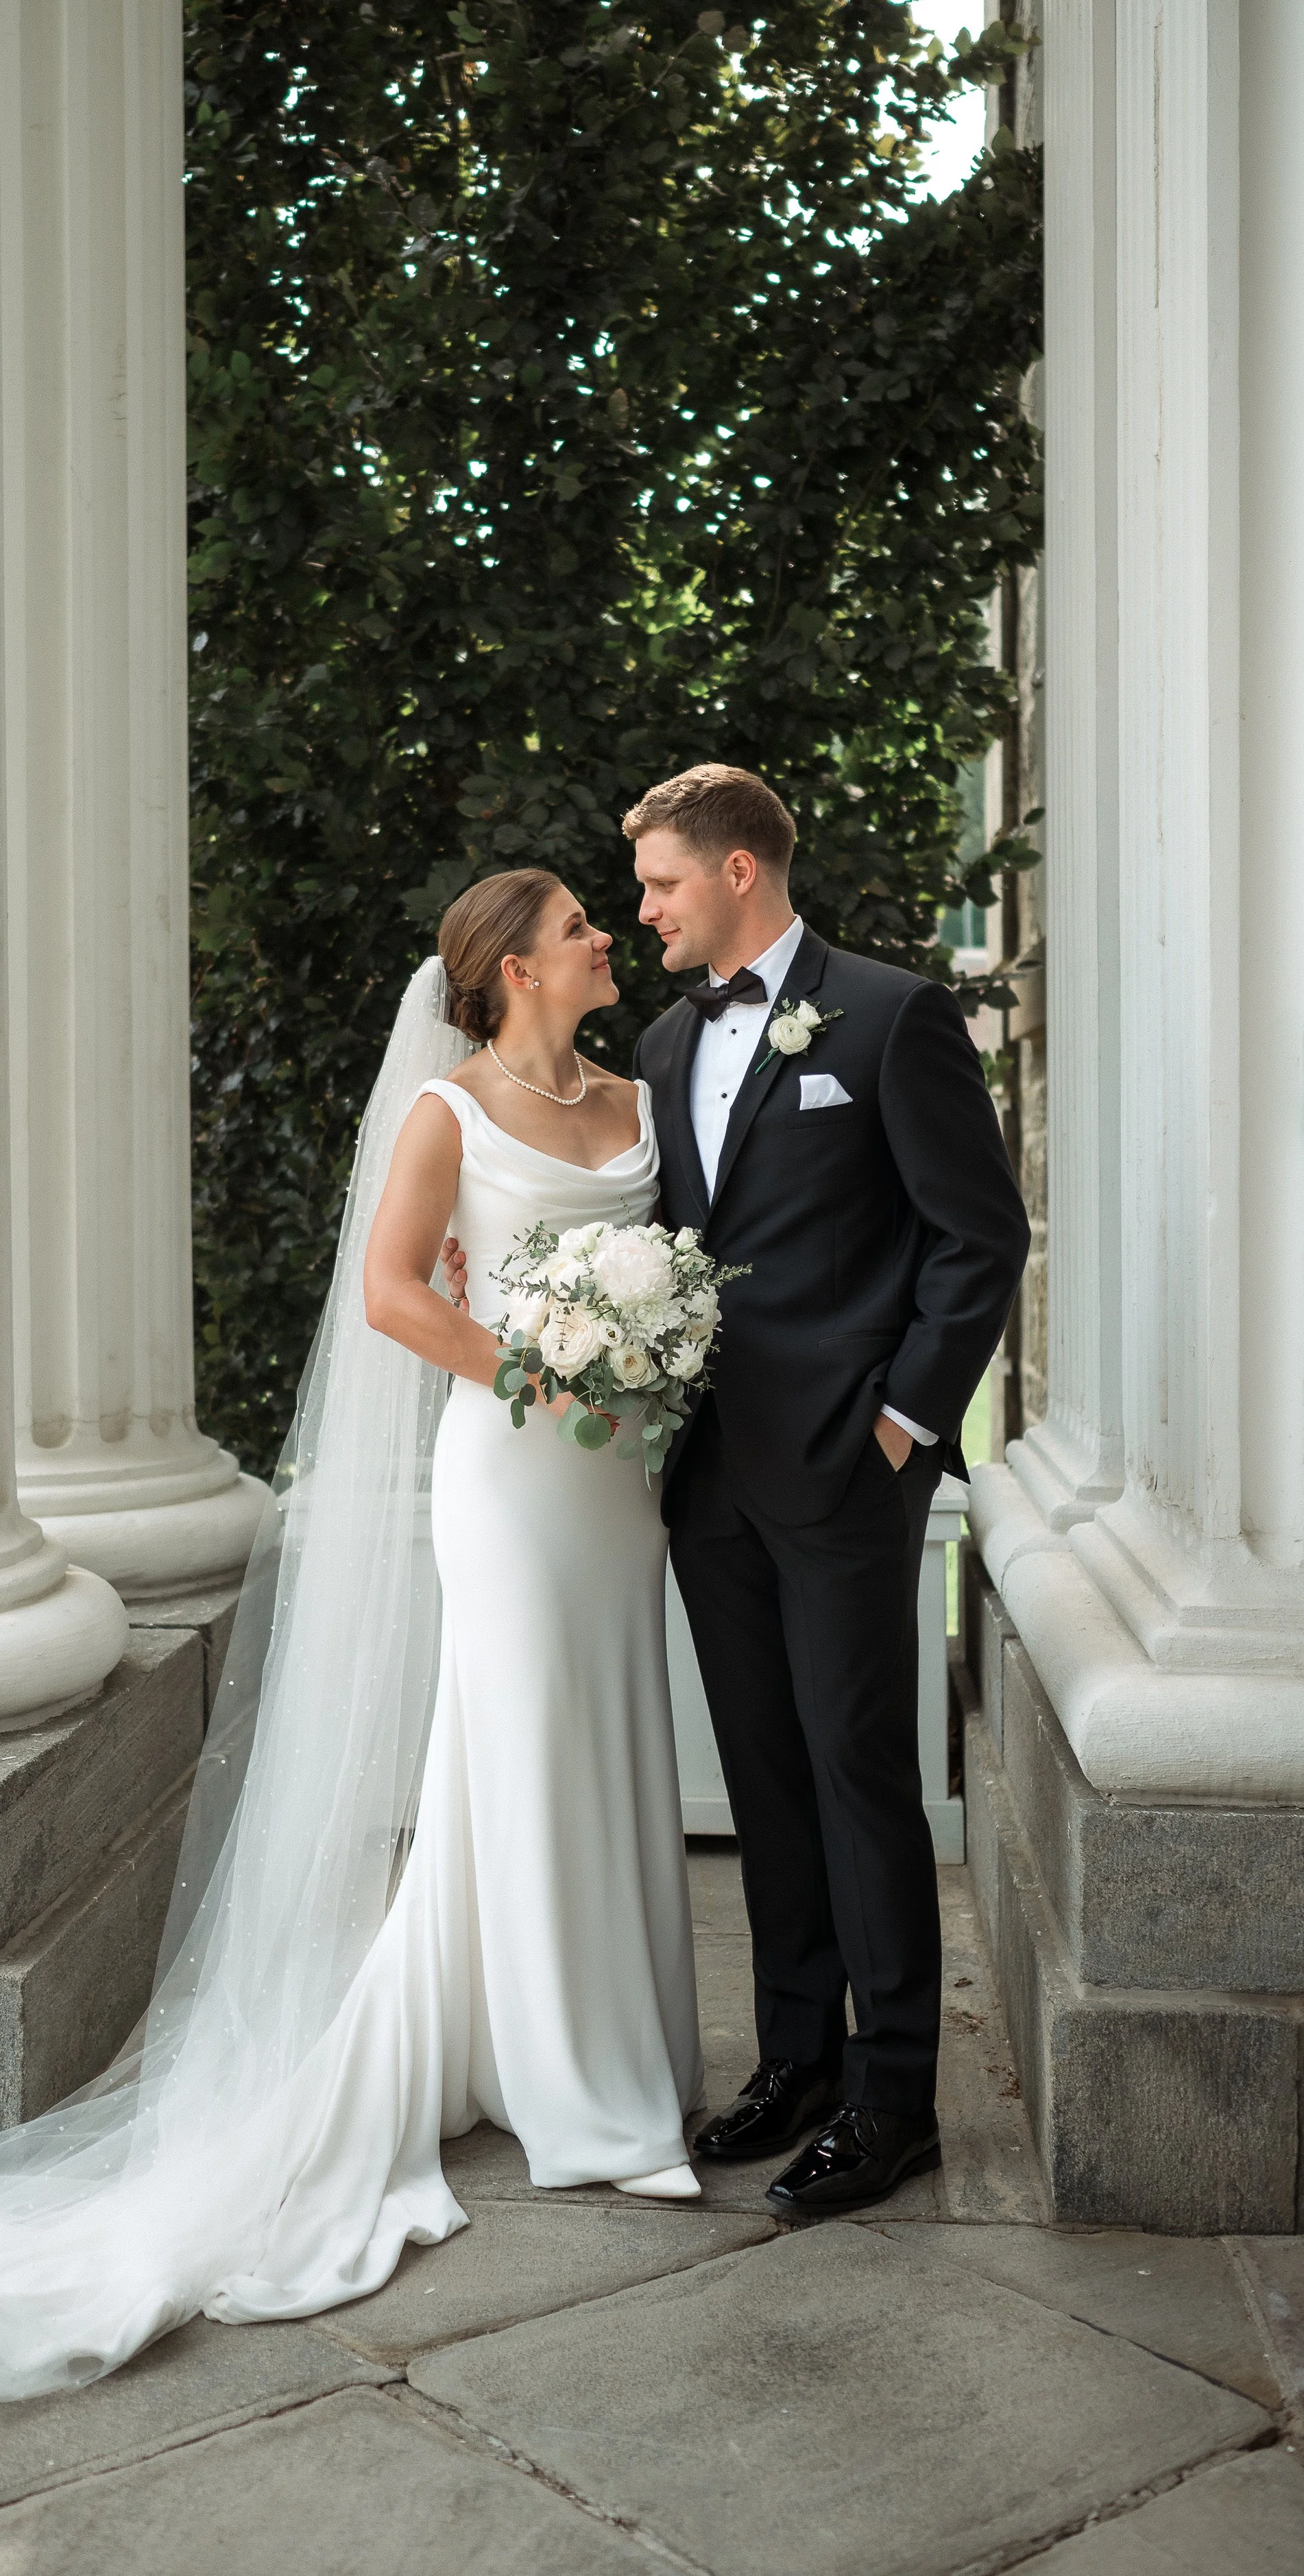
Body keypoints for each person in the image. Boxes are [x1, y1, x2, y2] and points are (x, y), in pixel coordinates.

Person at [0, 871, 703, 2457]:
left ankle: (600, 2040)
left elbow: (668, 1265)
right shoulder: (443, 1110)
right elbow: (391, 1297)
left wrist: (645, 1352)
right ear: (505, 968)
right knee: (513, 1738)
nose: (600, 939)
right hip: (512, 1468)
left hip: (612, 1479)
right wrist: (545, 1366)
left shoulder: (633, 1095)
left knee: (605, 1726)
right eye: (574, 925)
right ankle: (580, 2096)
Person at [627, 764, 1029, 2211]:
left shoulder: (889, 1013)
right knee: (764, 1774)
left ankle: (891, 2094)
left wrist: (904, 1423)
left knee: (861, 1776)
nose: (646, 911)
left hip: (852, 1471)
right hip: (714, 1482)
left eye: (662, 883)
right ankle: (793, 2057)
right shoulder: (668, 1043)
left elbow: (975, 1236)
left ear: (738, 871)